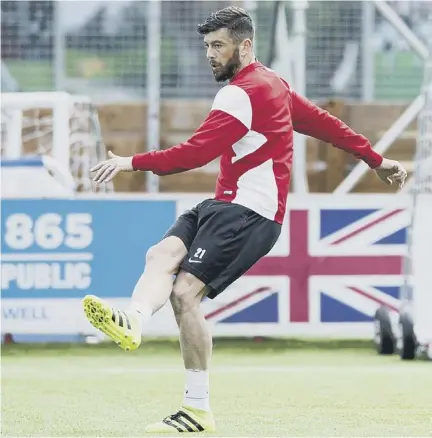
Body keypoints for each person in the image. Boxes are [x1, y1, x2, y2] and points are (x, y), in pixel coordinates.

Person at [83, 6, 407, 434]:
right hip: (225, 205)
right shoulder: (274, 85)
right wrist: (375, 158)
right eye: (206, 46)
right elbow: (326, 125)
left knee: (184, 294)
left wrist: (131, 161)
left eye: (218, 45)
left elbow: (195, 153)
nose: (210, 54)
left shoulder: (241, 93)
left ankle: (197, 410)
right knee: (161, 253)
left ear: (245, 44)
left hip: (249, 213)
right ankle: (135, 320)